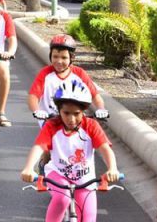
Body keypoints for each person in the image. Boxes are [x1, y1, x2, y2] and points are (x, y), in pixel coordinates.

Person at [20, 80, 120, 222]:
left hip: (85, 179)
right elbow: (38, 147)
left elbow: (105, 149)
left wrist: (113, 168)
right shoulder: (51, 126)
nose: (71, 119)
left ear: (84, 111)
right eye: (66, 113)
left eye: (76, 113)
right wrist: (29, 168)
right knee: (62, 199)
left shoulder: (91, 126)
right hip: (57, 173)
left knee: (88, 218)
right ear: (59, 110)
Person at [28, 34, 107, 124]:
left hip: (74, 121)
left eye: (64, 57)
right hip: (50, 122)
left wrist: (101, 108)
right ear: (50, 56)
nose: (59, 61)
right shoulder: (45, 74)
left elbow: (95, 95)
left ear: (71, 58)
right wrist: (37, 111)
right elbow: (33, 96)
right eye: (55, 56)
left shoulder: (79, 73)